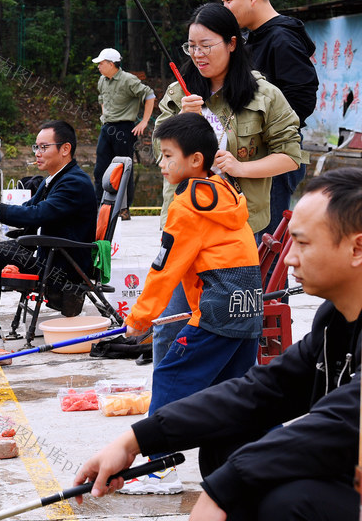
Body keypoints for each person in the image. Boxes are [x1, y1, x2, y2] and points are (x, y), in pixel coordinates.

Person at [73, 167, 362, 521]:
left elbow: (340, 422)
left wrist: (223, 489)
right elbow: (264, 389)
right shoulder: (333, 320)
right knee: (227, 441)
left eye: (302, 243)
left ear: (356, 248)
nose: (288, 258)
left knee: (290, 501)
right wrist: (135, 440)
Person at [116, 113, 263, 495]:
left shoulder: (187, 207)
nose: (161, 164)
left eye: (167, 156)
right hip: (248, 310)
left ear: (195, 160)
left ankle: (158, 466)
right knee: (237, 391)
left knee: (170, 376)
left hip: (216, 312)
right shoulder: (226, 191)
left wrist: (141, 318)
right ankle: (256, 460)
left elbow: (165, 269)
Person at [151, 3, 302, 365]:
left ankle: (230, 409)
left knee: (236, 326)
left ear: (232, 43)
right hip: (184, 226)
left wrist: (240, 166)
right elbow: (162, 156)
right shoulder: (179, 93)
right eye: (191, 47)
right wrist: (181, 128)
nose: (198, 55)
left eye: (207, 45)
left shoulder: (264, 96)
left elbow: (291, 155)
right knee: (171, 322)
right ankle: (168, 414)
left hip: (239, 231)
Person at [0, 121, 96, 351]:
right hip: (49, 255)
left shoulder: (74, 183)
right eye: (35, 147)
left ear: (65, 149)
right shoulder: (55, 178)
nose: (37, 154)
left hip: (63, 268)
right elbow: (30, 207)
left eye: (43, 147)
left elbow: (38, 214)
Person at [221, 0, 318, 237]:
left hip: (275, 156)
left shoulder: (281, 38)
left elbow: (303, 97)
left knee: (266, 244)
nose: (225, 8)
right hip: (250, 156)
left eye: (228, 0)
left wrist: (267, 131)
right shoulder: (254, 38)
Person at [92, 47, 156, 219]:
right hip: (107, 128)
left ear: (111, 64)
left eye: (101, 63)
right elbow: (102, 98)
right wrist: (105, 115)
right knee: (100, 169)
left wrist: (143, 122)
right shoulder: (102, 80)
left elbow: (149, 95)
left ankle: (124, 208)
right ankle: (99, 205)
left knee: (123, 169)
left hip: (125, 129)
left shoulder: (128, 80)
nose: (99, 66)